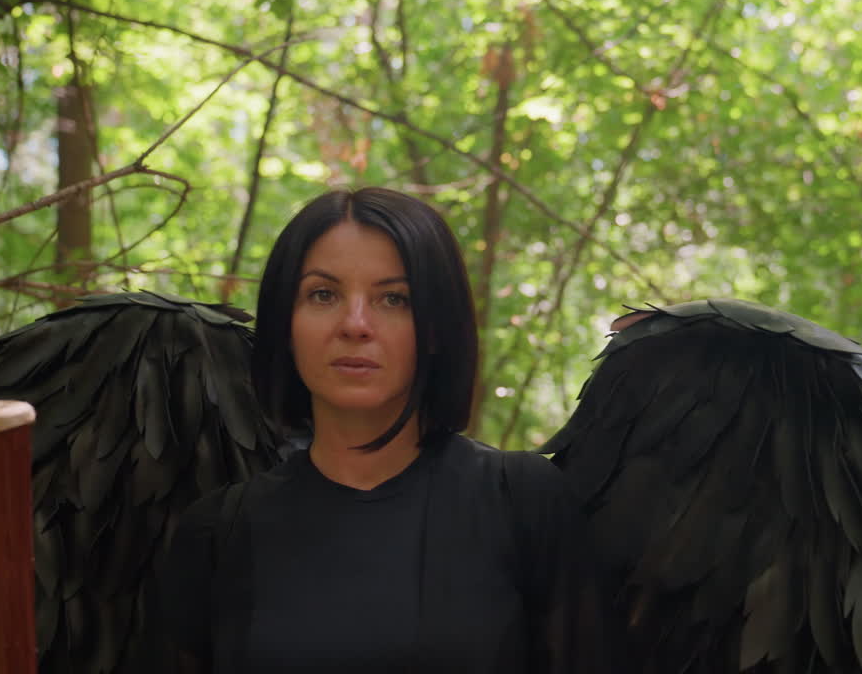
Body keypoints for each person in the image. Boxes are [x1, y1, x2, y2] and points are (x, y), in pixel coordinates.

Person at [159, 187, 613, 673]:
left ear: (436, 330)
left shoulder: (524, 504)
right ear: (285, 325)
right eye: (323, 294)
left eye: (394, 299)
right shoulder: (216, 535)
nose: (355, 324)